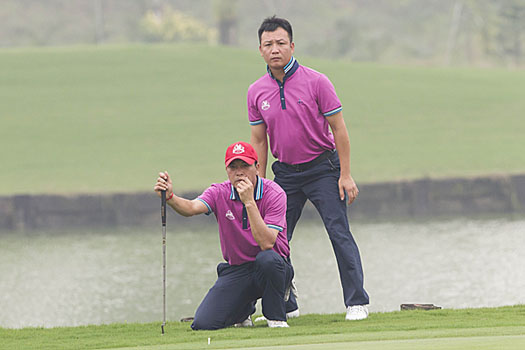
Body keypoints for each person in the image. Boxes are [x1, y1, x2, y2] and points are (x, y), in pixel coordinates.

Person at [248, 16, 370, 320]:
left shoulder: (317, 81)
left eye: (280, 43)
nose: (275, 49)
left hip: (323, 169)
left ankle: (357, 302)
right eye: (268, 44)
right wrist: (260, 183)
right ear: (260, 50)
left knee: (338, 232)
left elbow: (340, 130)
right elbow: (259, 141)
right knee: (272, 240)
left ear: (292, 45)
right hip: (285, 174)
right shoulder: (256, 91)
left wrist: (345, 174)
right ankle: (287, 305)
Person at [154, 141, 294, 330]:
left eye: (245, 165)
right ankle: (243, 309)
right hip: (238, 269)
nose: (239, 172)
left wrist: (249, 202)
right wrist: (170, 197)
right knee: (204, 323)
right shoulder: (219, 191)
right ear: (227, 170)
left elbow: (267, 242)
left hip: (272, 265)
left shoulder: (274, 193)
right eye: (233, 167)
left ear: (257, 167)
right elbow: (191, 208)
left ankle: (276, 318)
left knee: (267, 260)